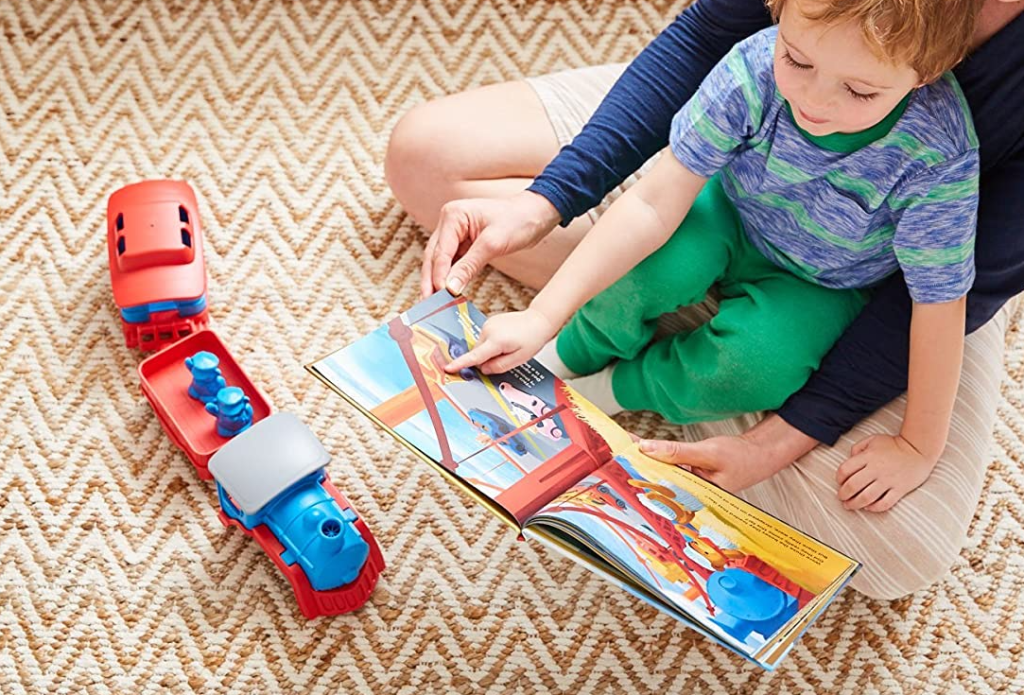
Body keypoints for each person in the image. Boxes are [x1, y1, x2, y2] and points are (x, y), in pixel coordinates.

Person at [385, 0, 1024, 599]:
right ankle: (567, 357)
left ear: (929, 74)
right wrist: (544, 311)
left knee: (765, 378)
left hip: (838, 281)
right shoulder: (757, 65)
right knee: (639, 266)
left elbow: (941, 303)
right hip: (731, 206)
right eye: (796, 60)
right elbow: (654, 199)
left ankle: (618, 387)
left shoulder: (939, 157)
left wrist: (917, 445)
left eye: (858, 90)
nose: (813, 102)